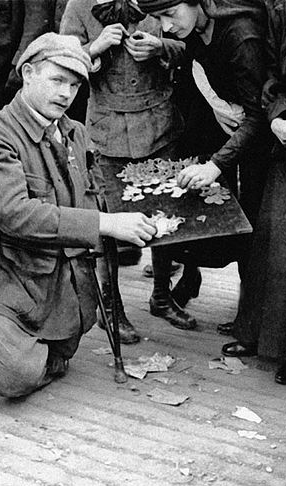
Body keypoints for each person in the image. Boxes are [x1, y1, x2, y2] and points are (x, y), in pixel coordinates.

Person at [0, 32, 157, 399]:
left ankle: (47, 346)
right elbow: (14, 214)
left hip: (73, 288)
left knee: (53, 356)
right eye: (56, 80)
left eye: (74, 85)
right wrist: (105, 224)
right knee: (11, 380)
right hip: (23, 284)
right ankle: (10, 336)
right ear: (29, 73)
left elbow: (99, 196)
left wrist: (147, 212)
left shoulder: (76, 133)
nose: (66, 94)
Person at [138, 0, 272, 338]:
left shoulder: (241, 37)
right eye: (158, 18)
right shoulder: (199, 28)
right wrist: (217, 106)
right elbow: (196, 57)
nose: (166, 26)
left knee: (251, 229)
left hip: (258, 146)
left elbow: (257, 117)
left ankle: (251, 322)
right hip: (224, 133)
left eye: (170, 14)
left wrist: (215, 166)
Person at [60, 0, 189, 338]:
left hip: (159, 125)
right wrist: (95, 47)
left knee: (164, 213)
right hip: (107, 132)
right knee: (109, 218)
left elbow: (191, 44)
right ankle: (111, 306)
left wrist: (161, 47)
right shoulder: (79, 6)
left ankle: (162, 294)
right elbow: (61, 62)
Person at [228, 0, 286, 384]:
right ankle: (262, 337)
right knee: (275, 243)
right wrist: (277, 115)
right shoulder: (279, 8)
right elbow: (270, 73)